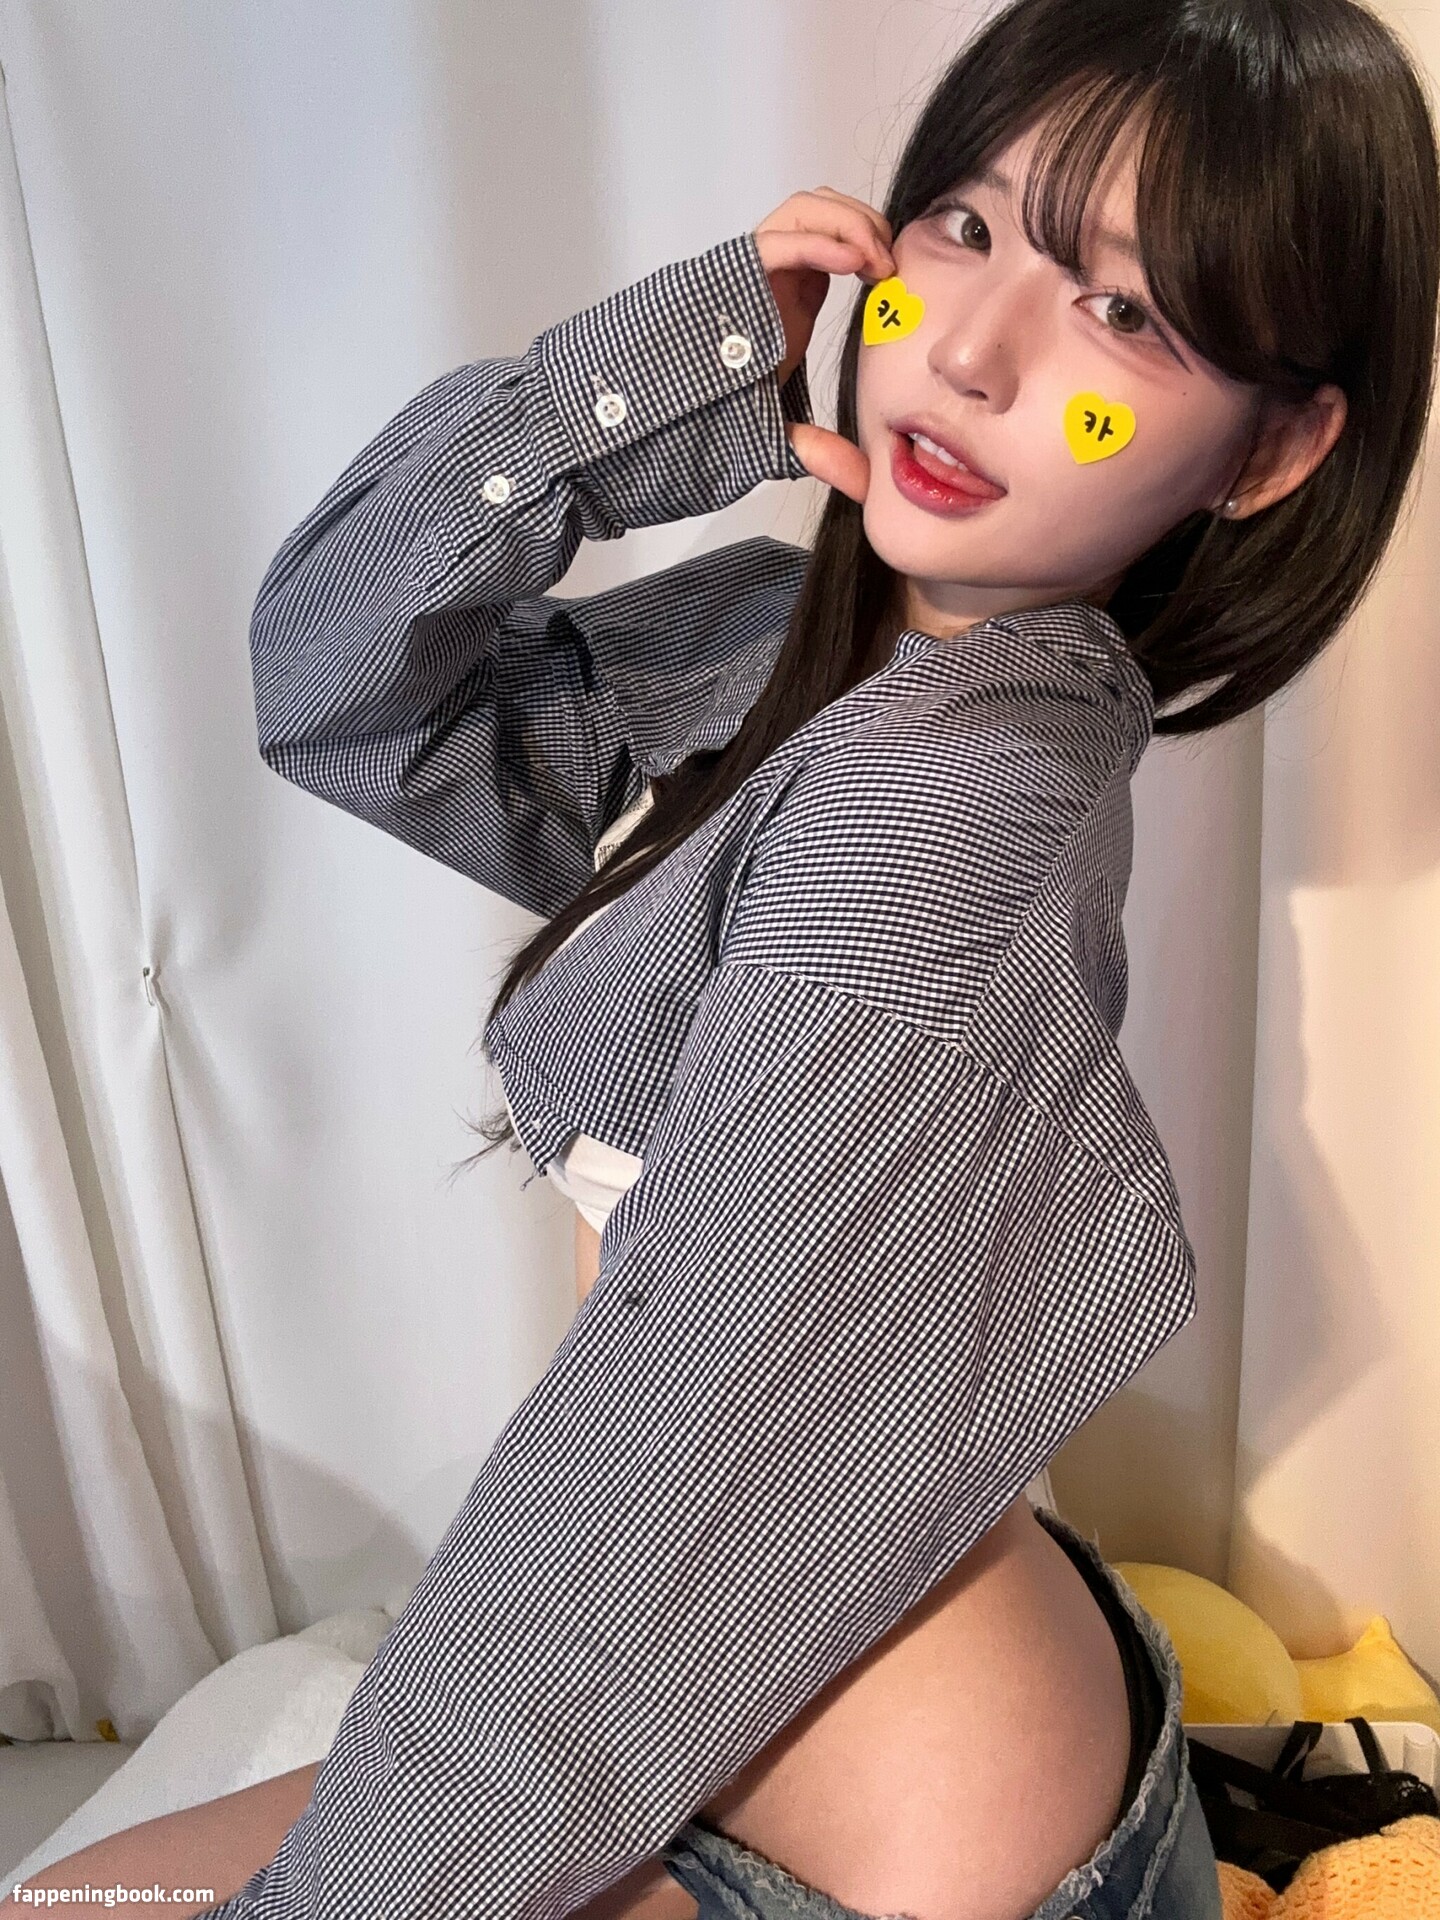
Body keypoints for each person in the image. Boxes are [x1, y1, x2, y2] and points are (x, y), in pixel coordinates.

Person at [21, 1, 1436, 1917]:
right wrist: (638, 392)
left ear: (1269, 455)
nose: (978, 351)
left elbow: (668, 1455)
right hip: (719, 1713)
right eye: (966, 226)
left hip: (884, 1846)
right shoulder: (785, 645)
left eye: (1125, 315)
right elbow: (342, 687)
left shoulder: (949, 803)